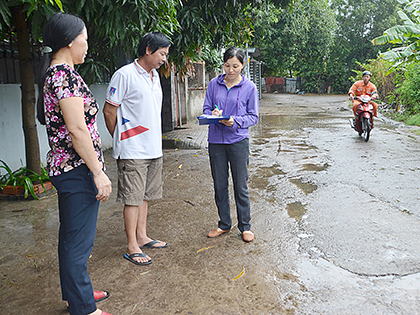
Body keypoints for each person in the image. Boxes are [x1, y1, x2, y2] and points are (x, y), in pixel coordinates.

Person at [36, 12, 112, 315]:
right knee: (78, 242)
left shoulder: (58, 73)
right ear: (70, 41)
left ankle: (75, 292)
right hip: (76, 168)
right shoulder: (63, 75)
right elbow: (77, 130)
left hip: (66, 167)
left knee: (71, 236)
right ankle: (84, 308)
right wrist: (98, 172)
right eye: (85, 39)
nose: (87, 45)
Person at [103, 32, 170, 265]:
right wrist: (121, 139)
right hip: (133, 150)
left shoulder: (154, 77)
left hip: (153, 148)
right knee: (132, 197)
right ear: (148, 49)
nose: (164, 59)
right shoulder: (124, 75)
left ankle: (142, 236)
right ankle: (132, 245)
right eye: (162, 53)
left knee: (145, 196)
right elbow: (109, 111)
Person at [202, 47, 259, 242]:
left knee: (240, 185)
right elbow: (207, 108)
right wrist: (214, 115)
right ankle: (224, 224)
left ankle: (245, 226)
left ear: (243, 65)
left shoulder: (249, 88)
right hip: (216, 141)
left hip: (238, 141)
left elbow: (253, 117)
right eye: (227, 65)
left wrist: (235, 121)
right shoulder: (213, 84)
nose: (231, 70)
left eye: (235, 66)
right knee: (219, 184)